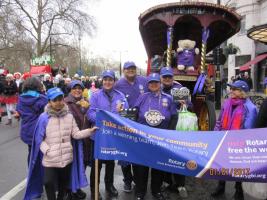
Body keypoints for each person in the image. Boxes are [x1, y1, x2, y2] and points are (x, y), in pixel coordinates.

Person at [24, 87, 98, 200]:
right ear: (49, 101)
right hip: (50, 159)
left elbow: (76, 134)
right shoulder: (44, 118)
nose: (58, 102)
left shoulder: (69, 116)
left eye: (60, 99)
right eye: (55, 100)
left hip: (67, 158)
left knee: (63, 184)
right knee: (48, 182)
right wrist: (47, 150)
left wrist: (90, 131)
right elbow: (39, 139)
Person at [211, 80, 257, 200]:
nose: (231, 91)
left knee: (238, 168)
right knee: (221, 165)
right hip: (223, 140)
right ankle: (221, 186)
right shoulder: (227, 103)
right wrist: (216, 135)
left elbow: (248, 130)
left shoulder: (250, 108)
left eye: (234, 89)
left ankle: (238, 191)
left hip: (238, 144)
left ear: (242, 92)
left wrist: (239, 143)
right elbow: (219, 121)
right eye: (231, 88)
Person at [133, 73, 177, 200]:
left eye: (156, 82)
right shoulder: (142, 97)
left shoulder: (168, 98)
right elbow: (134, 114)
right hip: (143, 139)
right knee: (141, 167)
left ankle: (156, 191)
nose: (153, 84)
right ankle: (140, 192)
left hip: (161, 139)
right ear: (148, 84)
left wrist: (169, 133)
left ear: (160, 83)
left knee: (158, 166)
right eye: (151, 82)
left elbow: (174, 117)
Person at [87, 69, 128, 200]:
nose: (108, 82)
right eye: (105, 79)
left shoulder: (120, 96)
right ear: (102, 81)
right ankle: (94, 189)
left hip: (113, 135)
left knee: (110, 162)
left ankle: (109, 186)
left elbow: (126, 113)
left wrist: (121, 113)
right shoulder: (95, 95)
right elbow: (90, 113)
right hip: (98, 135)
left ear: (114, 81)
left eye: (110, 79)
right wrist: (103, 119)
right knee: (96, 164)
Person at [114, 61, 147, 192]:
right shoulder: (118, 84)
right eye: (128, 69)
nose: (130, 71)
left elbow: (155, 90)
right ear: (124, 70)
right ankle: (127, 180)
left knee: (139, 153)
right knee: (125, 154)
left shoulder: (144, 81)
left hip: (142, 124)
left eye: (133, 68)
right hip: (125, 124)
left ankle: (139, 181)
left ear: (136, 69)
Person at [159, 67, 188, 198]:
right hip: (162, 127)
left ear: (173, 78)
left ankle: (181, 184)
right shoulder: (155, 87)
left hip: (177, 128)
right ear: (161, 78)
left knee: (177, 156)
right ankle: (166, 181)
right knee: (164, 156)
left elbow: (190, 106)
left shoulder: (179, 89)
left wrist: (185, 103)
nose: (167, 79)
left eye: (169, 77)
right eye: (164, 77)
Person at [65, 80, 91, 199]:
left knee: (83, 163)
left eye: (79, 88)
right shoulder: (66, 102)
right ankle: (69, 189)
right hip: (71, 140)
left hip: (85, 138)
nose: (77, 90)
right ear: (70, 90)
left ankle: (77, 187)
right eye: (74, 88)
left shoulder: (86, 102)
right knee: (71, 166)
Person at [16, 77, 48, 165]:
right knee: (43, 153)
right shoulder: (42, 99)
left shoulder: (21, 98)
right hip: (40, 130)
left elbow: (19, 112)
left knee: (31, 152)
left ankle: (31, 172)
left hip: (27, 130)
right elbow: (47, 114)